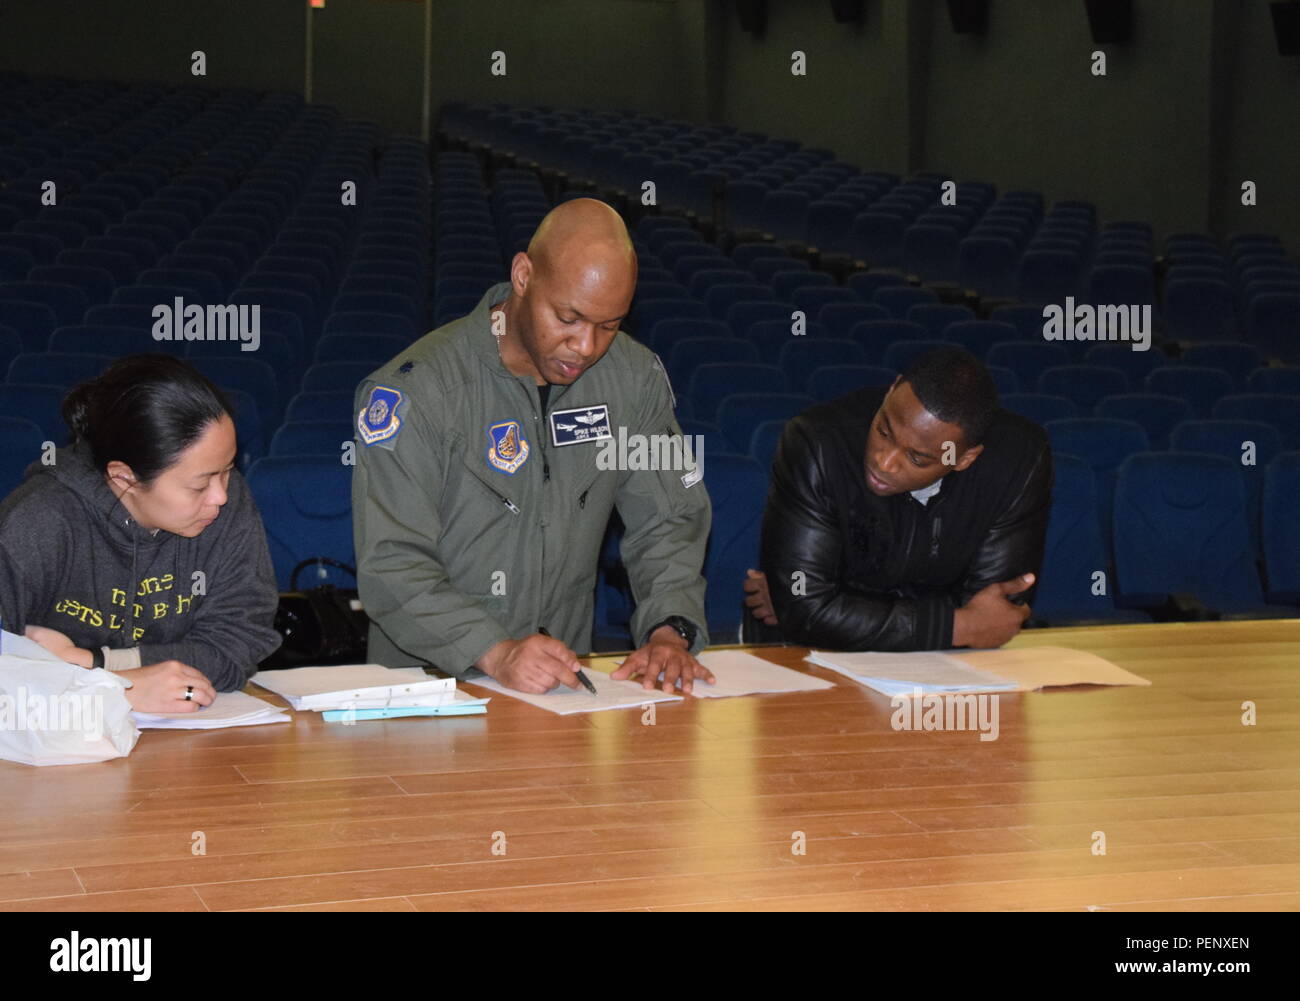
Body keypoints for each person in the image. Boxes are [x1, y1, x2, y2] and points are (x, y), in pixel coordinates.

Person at [353, 198, 715, 694]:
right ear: (523, 275)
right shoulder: (419, 393)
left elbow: (669, 518)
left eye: (609, 326)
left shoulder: (633, 381)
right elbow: (393, 563)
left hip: (560, 688)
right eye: (568, 317)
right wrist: (495, 651)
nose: (586, 346)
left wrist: (669, 629)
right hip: (430, 687)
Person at [0, 354, 282, 711]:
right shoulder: (38, 521)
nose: (221, 496)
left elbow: (238, 644)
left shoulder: (227, 502)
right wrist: (124, 691)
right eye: (199, 486)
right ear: (124, 478)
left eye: (227, 469)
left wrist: (97, 665)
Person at [744, 346, 1051, 650]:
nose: (884, 462)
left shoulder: (1019, 462)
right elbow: (804, 609)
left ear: (965, 458)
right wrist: (955, 625)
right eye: (883, 431)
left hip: (946, 666)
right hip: (806, 657)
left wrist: (830, 610)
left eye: (918, 459)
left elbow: (993, 615)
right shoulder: (819, 444)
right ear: (892, 390)